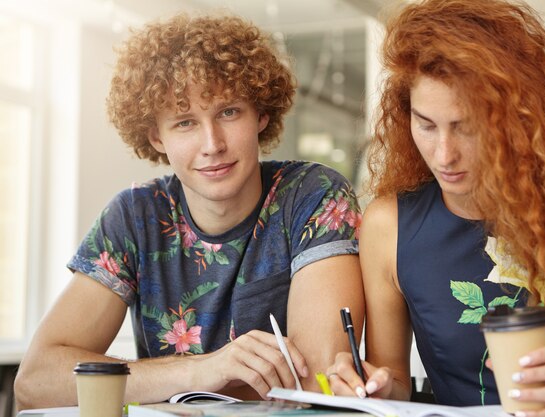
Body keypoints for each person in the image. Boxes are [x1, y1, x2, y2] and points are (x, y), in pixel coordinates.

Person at [14, 12, 364, 410]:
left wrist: (154, 383)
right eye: (184, 122)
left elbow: (317, 378)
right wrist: (201, 369)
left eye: (228, 112)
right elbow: (36, 380)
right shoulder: (135, 216)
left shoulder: (313, 195)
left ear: (261, 115)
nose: (212, 143)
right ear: (155, 136)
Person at [326, 1, 545, 416]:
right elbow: (393, 382)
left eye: (466, 126)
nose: (444, 155)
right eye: (426, 125)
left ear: (518, 120)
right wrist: (369, 387)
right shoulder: (388, 225)